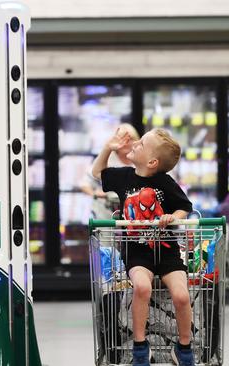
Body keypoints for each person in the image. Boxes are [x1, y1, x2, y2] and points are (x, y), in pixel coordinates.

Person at [92, 128, 194, 366]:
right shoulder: (123, 176)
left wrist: (173, 217)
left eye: (141, 144)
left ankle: (184, 347)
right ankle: (140, 347)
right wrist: (109, 147)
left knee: (181, 295)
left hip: (166, 249)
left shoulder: (165, 183)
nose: (134, 144)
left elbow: (183, 206)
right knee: (141, 287)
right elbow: (97, 171)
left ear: (152, 161)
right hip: (136, 250)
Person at [80, 123, 139, 219]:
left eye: (130, 139)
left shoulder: (142, 160)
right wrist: (96, 194)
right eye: (122, 139)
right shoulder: (106, 160)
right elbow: (87, 180)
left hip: (133, 217)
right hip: (106, 216)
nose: (126, 143)